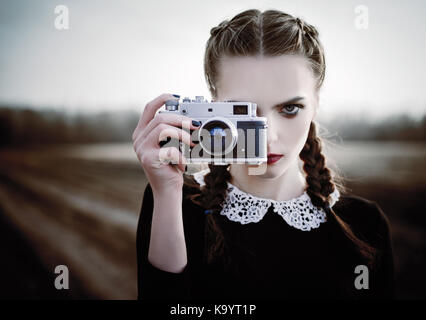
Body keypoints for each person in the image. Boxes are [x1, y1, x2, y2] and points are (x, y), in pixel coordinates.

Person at [132, 9, 395, 300]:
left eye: (290, 109)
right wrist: (167, 193)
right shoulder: (178, 205)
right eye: (243, 111)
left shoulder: (365, 224)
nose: (268, 136)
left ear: (316, 102)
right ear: (214, 102)